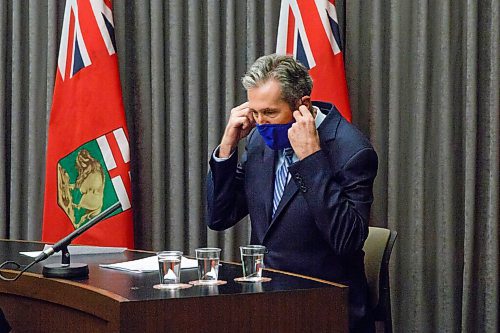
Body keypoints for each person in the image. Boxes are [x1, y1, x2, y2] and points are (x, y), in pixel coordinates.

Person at [206, 54, 377, 332]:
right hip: (265, 303)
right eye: (255, 112)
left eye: (271, 113)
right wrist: (227, 147)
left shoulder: (352, 150)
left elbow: (347, 240)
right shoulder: (259, 140)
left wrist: (311, 159)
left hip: (325, 308)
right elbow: (219, 216)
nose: (261, 123)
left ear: (303, 106)